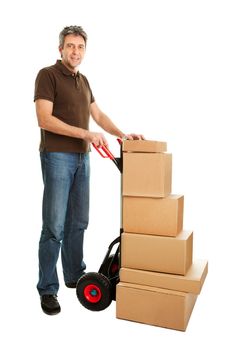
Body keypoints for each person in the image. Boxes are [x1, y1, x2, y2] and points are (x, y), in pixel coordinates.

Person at [34, 25, 144, 315]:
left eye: (80, 47)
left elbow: (98, 115)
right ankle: (47, 289)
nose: (75, 51)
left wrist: (122, 135)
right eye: (70, 46)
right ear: (60, 49)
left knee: (79, 222)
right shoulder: (48, 75)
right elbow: (44, 119)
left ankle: (74, 275)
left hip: (83, 160)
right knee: (54, 227)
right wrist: (85, 134)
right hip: (57, 157)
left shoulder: (84, 80)